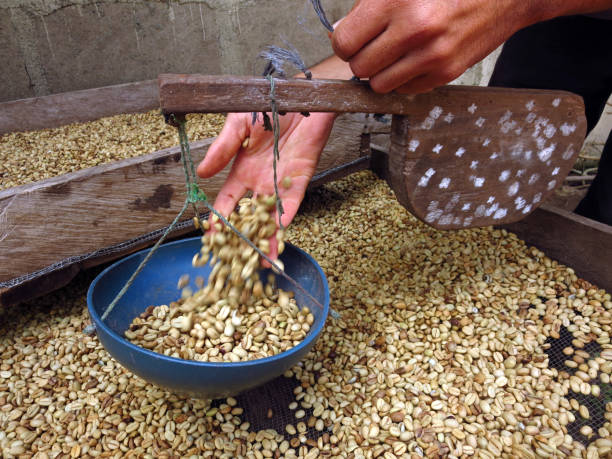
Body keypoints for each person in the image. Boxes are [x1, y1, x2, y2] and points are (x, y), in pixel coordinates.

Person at [197, 0, 612, 260]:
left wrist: (506, 5)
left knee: (605, 223)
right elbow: (402, 29)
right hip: (566, 23)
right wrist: (312, 95)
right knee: (511, 149)